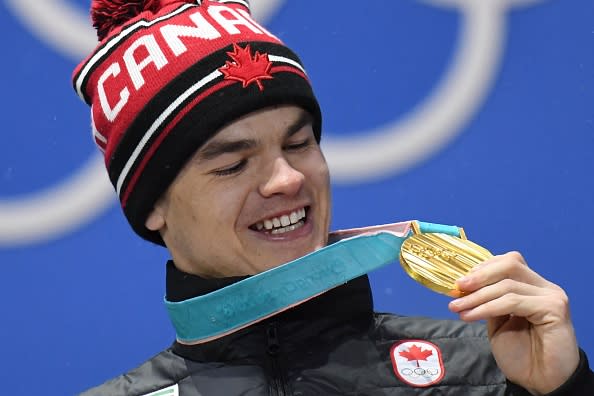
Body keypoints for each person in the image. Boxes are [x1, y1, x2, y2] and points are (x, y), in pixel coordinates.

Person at [73, 1, 594, 395]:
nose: (286, 179)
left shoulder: (488, 370)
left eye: (299, 144)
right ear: (153, 206)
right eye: (233, 164)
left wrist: (563, 389)